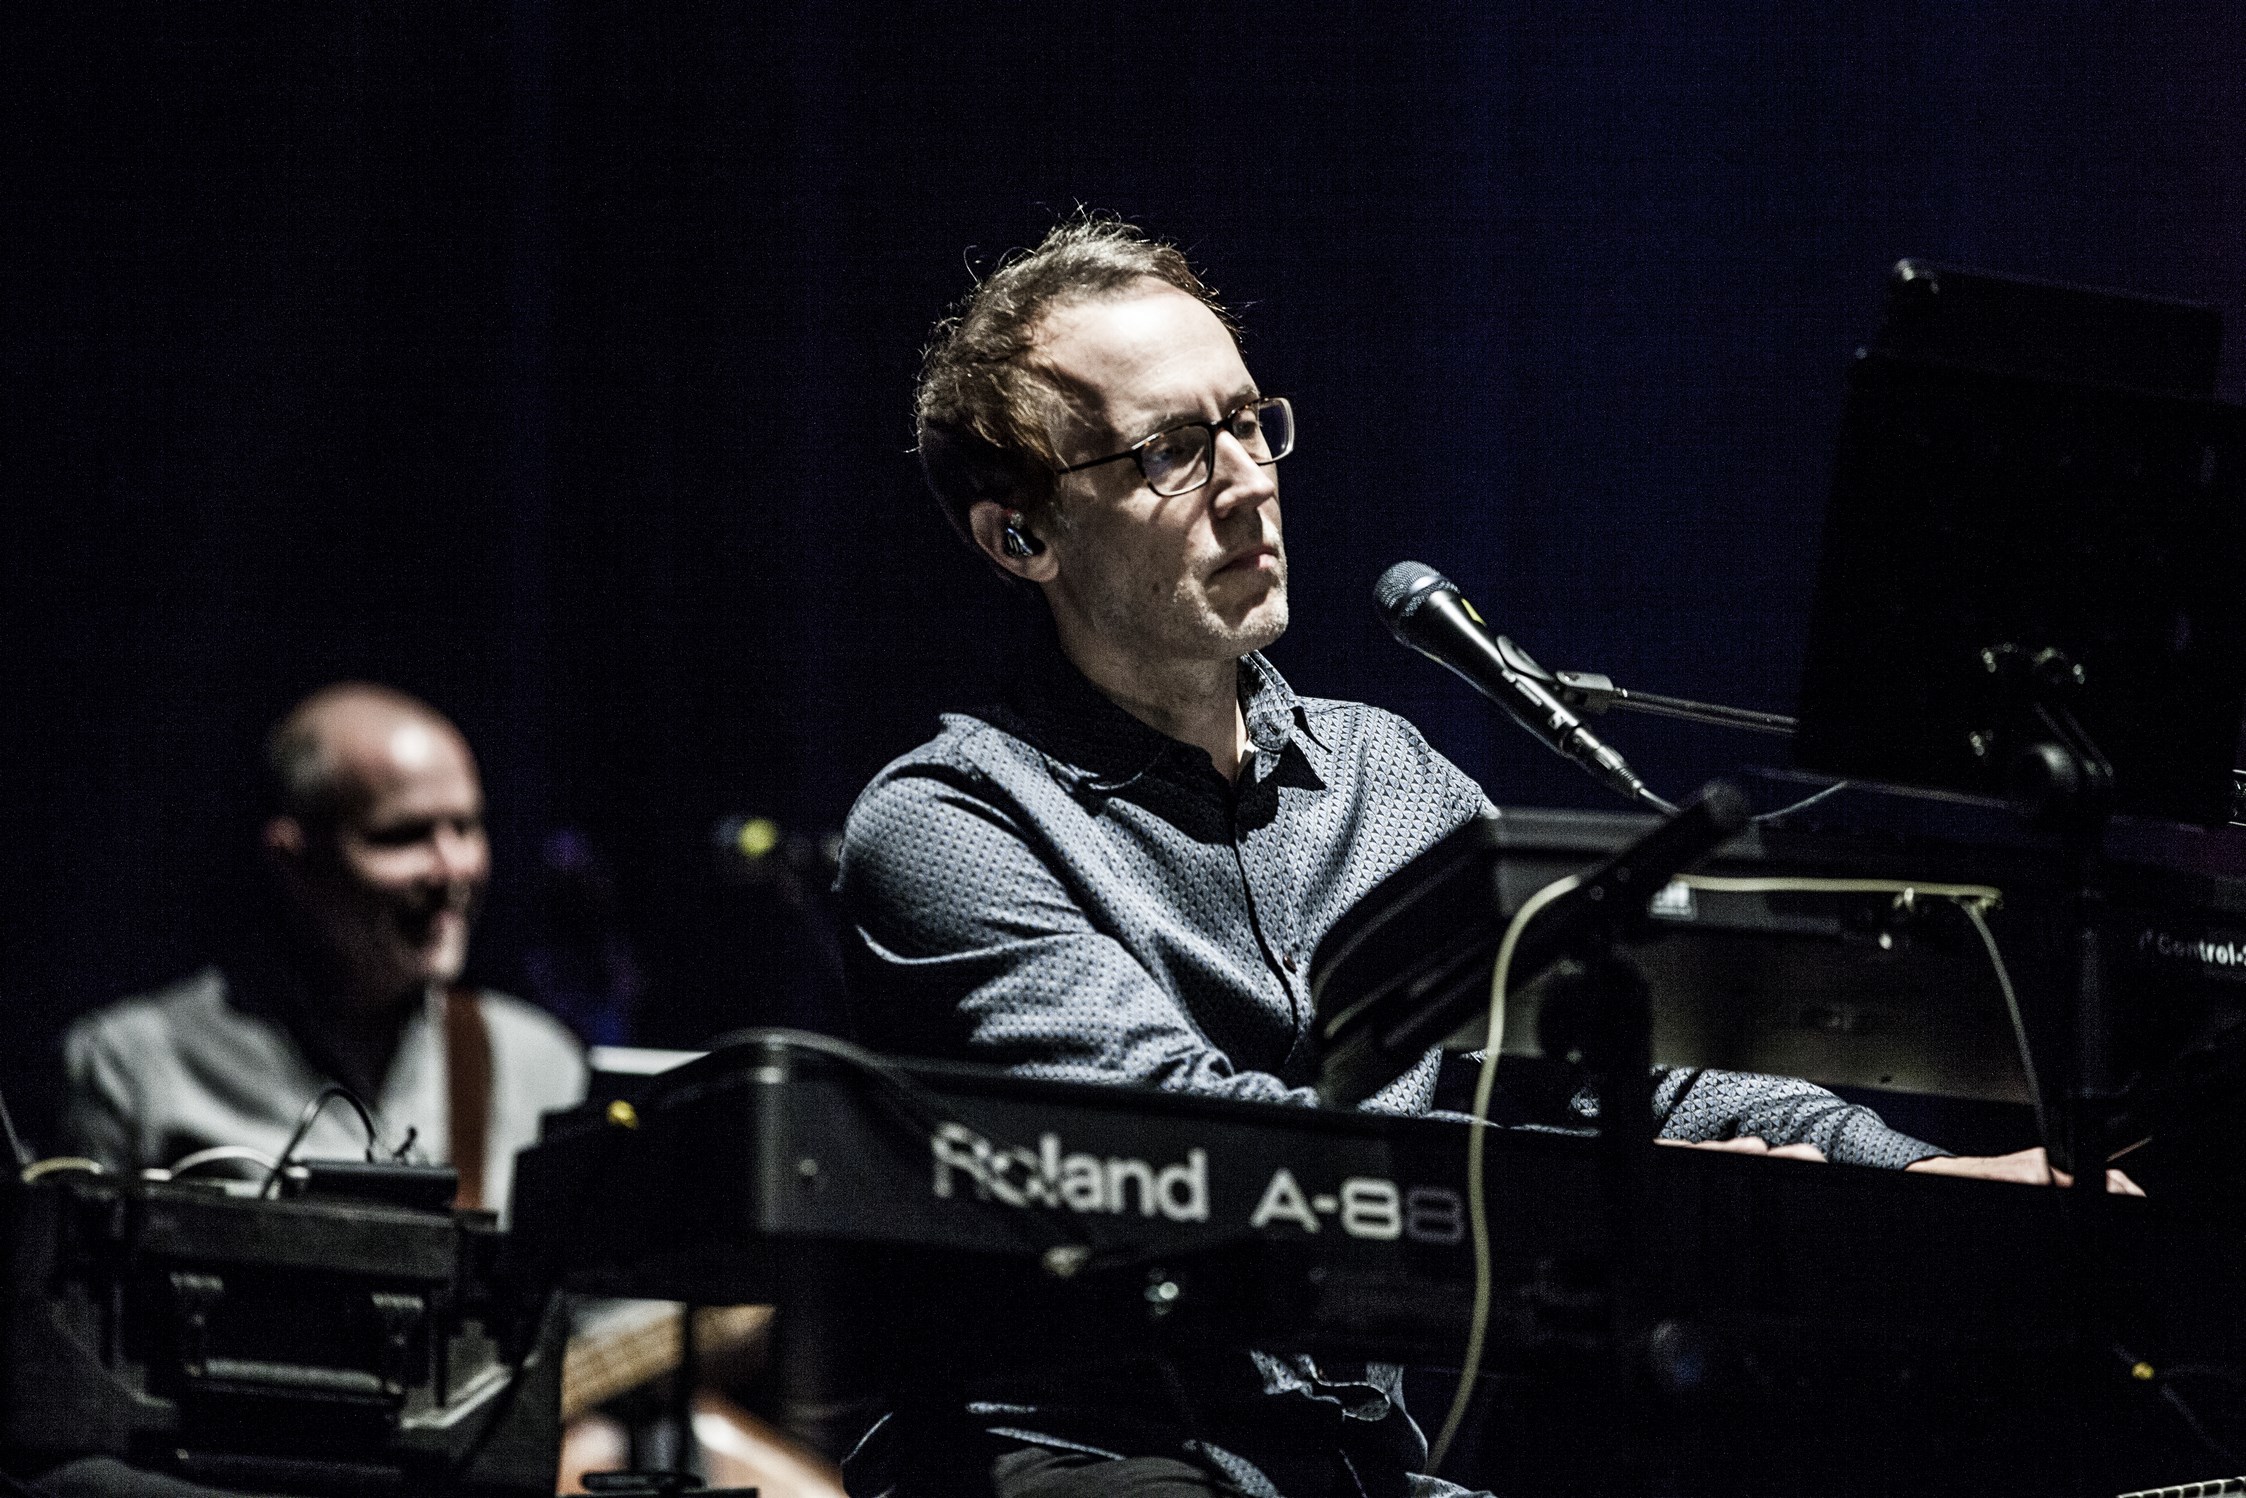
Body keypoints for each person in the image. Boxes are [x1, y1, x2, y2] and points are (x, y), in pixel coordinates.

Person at [835, 216, 2125, 1498]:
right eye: (1170, 450)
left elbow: (1634, 1067)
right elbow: (1208, 1154)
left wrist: (1923, 1180)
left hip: (1352, 1468)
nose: (1246, 481)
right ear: (1020, 536)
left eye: (1248, 422)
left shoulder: (1384, 777)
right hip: (1085, 1453)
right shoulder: (951, 822)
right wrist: (1639, 1190)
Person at [60, 682, 586, 1213]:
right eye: (403, 835)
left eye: (467, 827)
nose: (453, 869)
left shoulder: (539, 1065)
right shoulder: (133, 1064)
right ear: (293, 858)